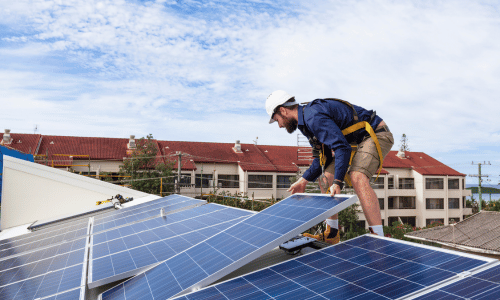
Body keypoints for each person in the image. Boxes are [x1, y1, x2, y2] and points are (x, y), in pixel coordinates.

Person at [266, 90, 394, 244]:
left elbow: (342, 148)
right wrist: (303, 180)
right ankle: (332, 233)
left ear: (283, 110)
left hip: (375, 133)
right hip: (354, 141)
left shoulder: (313, 116)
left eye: (277, 120)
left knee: (357, 176)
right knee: (326, 177)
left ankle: (378, 239)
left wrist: (338, 182)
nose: (279, 125)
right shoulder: (305, 123)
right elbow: (322, 158)